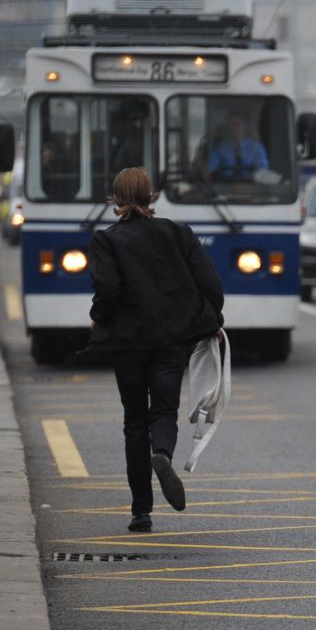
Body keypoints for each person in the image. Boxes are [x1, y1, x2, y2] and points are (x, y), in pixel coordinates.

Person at [86, 168, 225, 533]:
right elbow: (210, 282)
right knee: (164, 410)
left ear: (116, 199)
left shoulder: (107, 240)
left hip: (128, 342)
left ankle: (140, 511)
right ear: (153, 196)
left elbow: (109, 290)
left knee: (134, 421)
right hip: (170, 340)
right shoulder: (178, 233)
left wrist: (98, 318)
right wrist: (212, 318)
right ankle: (161, 455)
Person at [202, 114, 269, 182]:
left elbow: (263, 169)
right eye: (230, 125)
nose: (233, 129)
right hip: (226, 187)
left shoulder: (256, 147)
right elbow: (209, 170)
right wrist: (208, 176)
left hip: (252, 187)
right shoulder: (220, 148)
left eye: (237, 125)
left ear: (244, 127)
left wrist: (255, 176)